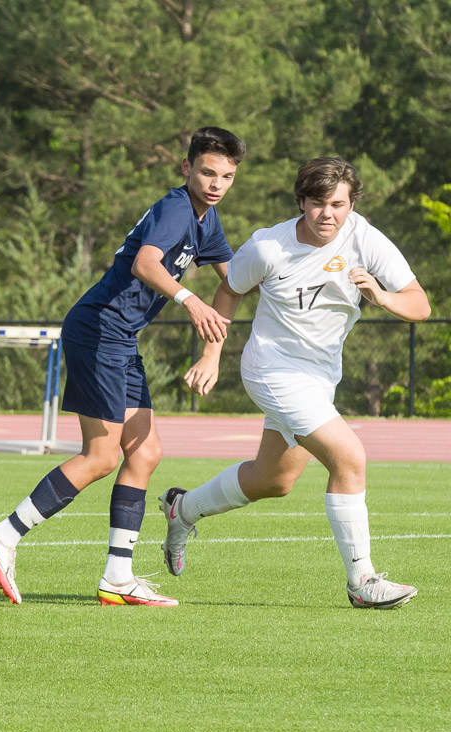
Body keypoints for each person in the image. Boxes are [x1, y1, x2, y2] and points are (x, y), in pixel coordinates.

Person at [0, 127, 245, 607]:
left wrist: (282, 292)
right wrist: (190, 301)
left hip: (119, 338)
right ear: (187, 169)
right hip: (98, 330)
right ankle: (4, 535)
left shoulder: (209, 220)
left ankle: (118, 578)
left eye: (226, 175)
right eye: (207, 171)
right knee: (101, 457)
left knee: (144, 453)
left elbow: (238, 279)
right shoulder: (177, 208)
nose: (216, 182)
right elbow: (145, 263)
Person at [160, 157, 430, 609]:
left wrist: (379, 295)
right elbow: (229, 291)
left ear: (351, 204)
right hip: (271, 369)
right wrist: (212, 353)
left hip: (321, 377)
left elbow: (419, 304)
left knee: (274, 479)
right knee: (349, 457)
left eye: (338, 204)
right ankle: (362, 580)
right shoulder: (268, 247)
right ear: (301, 202)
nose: (329, 214)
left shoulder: (364, 238)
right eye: (318, 203)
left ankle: (182, 508)